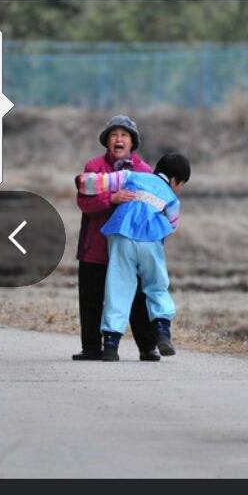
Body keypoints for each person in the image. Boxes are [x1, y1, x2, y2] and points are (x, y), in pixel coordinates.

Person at [77, 152, 191, 362]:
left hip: (120, 235)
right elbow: (171, 225)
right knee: (156, 286)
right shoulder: (172, 198)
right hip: (150, 241)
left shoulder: (130, 176)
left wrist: (83, 181)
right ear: (175, 181)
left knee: (118, 287)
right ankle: (162, 330)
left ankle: (111, 345)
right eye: (181, 185)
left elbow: (90, 183)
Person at [74, 115, 159, 362]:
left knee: (138, 298)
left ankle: (148, 347)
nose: (118, 139)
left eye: (124, 135)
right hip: (96, 247)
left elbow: (154, 209)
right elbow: (84, 203)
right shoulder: (94, 167)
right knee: (91, 298)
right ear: (107, 141)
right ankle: (92, 348)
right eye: (113, 135)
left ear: (132, 142)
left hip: (132, 248)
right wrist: (111, 199)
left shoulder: (145, 172)